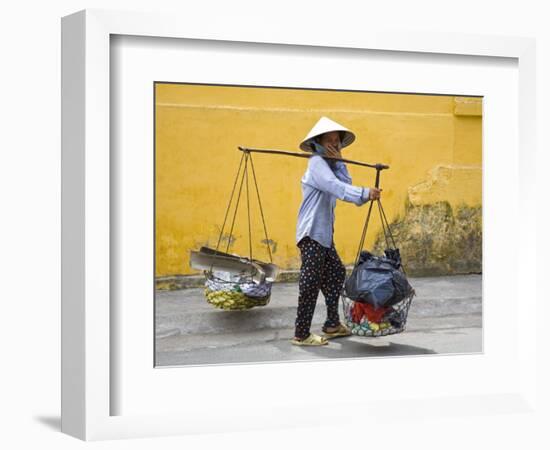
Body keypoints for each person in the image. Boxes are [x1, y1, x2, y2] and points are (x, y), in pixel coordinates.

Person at [291, 116, 382, 346]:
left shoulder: (330, 164)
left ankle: (332, 324)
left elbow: (345, 181)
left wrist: (340, 161)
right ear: (318, 142)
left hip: (323, 235)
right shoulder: (316, 164)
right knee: (310, 282)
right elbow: (337, 188)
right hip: (311, 233)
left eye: (337, 141)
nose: (334, 145)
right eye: (329, 141)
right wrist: (365, 193)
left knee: (336, 273)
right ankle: (301, 334)